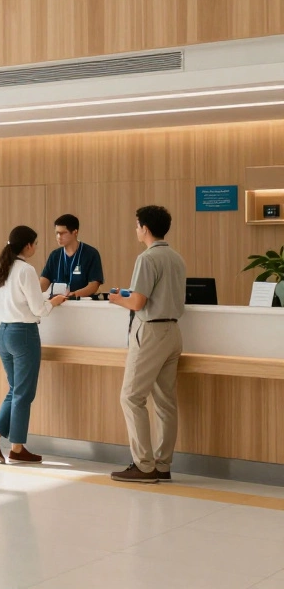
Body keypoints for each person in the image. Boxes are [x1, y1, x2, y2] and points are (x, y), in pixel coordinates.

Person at [107, 205, 186, 484]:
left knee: (131, 397)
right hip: (173, 332)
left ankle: (143, 465)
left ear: (146, 228)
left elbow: (138, 302)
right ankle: (162, 464)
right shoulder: (176, 258)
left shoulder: (147, 258)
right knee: (165, 401)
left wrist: (117, 299)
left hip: (150, 332)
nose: (136, 229)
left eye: (137, 225)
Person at [0, 227, 68, 465]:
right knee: (23, 393)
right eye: (35, 244)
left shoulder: (2, 267)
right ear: (28, 245)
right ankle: (15, 448)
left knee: (15, 390)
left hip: (3, 333)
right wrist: (54, 302)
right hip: (24, 334)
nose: (36, 248)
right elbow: (39, 309)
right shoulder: (26, 270)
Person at [39, 214, 104, 299]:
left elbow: (93, 285)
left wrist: (73, 295)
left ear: (75, 232)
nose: (59, 237)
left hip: (83, 302)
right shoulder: (55, 255)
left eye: (63, 233)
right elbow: (44, 282)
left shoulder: (91, 254)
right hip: (59, 302)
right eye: (57, 233)